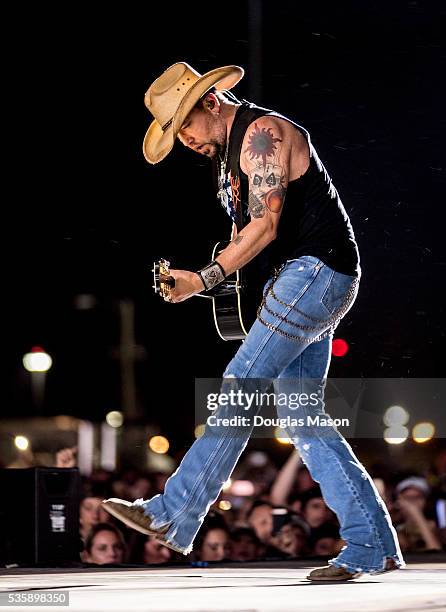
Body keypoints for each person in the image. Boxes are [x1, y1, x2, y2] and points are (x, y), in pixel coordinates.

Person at [102, 61, 405, 581]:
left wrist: (201, 278)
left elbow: (265, 225)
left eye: (184, 128)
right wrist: (208, 281)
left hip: (316, 273)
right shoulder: (230, 159)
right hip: (304, 277)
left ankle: (174, 512)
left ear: (209, 103)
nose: (186, 143)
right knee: (305, 421)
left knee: (241, 384)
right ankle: (370, 544)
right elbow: (252, 241)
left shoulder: (262, 134)